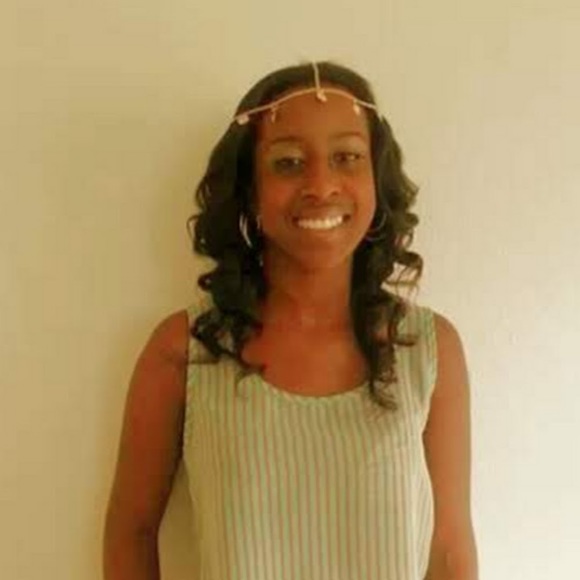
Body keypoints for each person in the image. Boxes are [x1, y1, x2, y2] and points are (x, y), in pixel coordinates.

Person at [103, 61, 478, 580]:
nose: (321, 185)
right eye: (288, 163)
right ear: (250, 189)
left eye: (347, 157)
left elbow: (450, 547)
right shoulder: (185, 350)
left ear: (377, 177)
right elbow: (131, 532)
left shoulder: (426, 349)